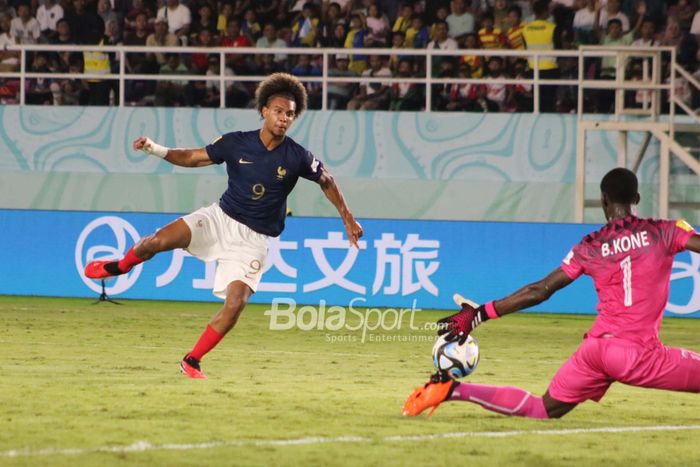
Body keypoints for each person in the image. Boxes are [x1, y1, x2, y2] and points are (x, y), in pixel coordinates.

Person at [84, 73, 364, 379]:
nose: (284, 119)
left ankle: (191, 360)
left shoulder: (297, 156)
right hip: (219, 219)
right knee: (156, 241)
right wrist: (155, 148)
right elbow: (192, 157)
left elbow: (327, 180)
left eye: (291, 114)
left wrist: (347, 218)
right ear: (264, 112)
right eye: (279, 111)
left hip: (253, 240)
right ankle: (120, 267)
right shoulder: (236, 143)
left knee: (235, 306)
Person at [403, 168, 700, 418]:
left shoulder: (590, 246)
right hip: (637, 354)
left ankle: (451, 389)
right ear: (636, 198)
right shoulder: (665, 231)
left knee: (544, 408)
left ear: (603, 200)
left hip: (595, 351)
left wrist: (480, 314)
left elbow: (541, 290)